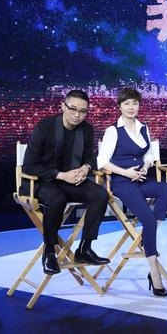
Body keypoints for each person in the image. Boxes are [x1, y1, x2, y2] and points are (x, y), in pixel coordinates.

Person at [97, 88, 167, 296]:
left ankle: (148, 234)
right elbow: (102, 162)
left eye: (134, 103)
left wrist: (145, 166)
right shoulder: (113, 130)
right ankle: (154, 273)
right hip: (122, 182)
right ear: (120, 106)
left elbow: (149, 154)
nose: (131, 107)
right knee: (148, 220)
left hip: (140, 178)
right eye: (127, 103)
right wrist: (126, 172)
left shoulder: (143, 128)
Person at [23, 90, 110, 275]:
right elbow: (29, 166)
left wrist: (86, 168)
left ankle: (85, 248)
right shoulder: (45, 127)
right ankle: (49, 252)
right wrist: (61, 175)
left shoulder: (87, 129)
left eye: (83, 111)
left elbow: (90, 157)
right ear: (63, 106)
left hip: (72, 180)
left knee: (101, 194)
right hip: (43, 180)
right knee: (57, 199)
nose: (77, 115)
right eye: (73, 109)